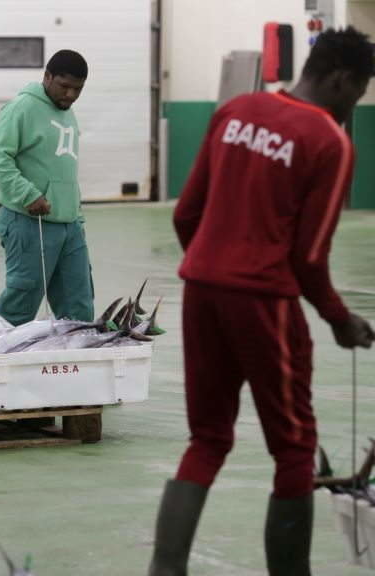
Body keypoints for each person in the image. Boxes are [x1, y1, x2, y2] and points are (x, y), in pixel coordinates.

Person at [148, 27, 374, 576]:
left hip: (201, 291)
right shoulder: (330, 142)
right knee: (294, 449)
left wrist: (215, 270)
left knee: (207, 438)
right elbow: (309, 259)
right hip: (264, 303)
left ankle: (165, 569)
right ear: (343, 79)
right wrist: (341, 321)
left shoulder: (237, 110)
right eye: (361, 90)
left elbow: (186, 214)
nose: (357, 103)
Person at [0, 49, 94, 326]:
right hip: (29, 221)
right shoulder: (23, 107)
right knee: (20, 306)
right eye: (64, 86)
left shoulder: (68, 114)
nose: (70, 95)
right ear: (47, 77)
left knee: (79, 307)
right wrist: (27, 193)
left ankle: (77, 366)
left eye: (77, 89)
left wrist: (76, 217)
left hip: (69, 226)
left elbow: (63, 170)